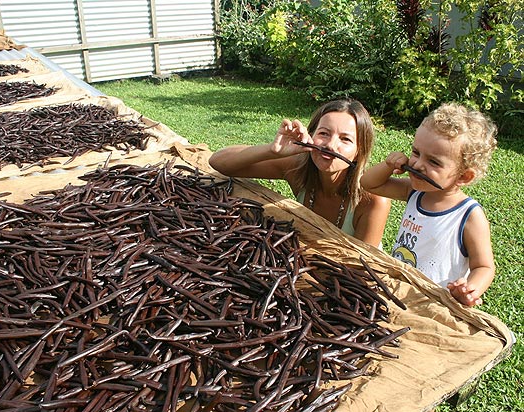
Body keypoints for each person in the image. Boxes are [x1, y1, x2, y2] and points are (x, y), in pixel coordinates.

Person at [360, 102, 497, 306]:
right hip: (399, 290)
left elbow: (484, 266)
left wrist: (470, 289)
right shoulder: (414, 192)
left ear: (464, 176)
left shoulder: (469, 216)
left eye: (433, 162)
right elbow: (369, 183)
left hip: (436, 302)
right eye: (416, 152)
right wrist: (388, 165)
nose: (417, 164)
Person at [209, 99, 391, 247]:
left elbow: (364, 267)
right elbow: (219, 161)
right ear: (311, 136)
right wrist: (272, 150)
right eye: (324, 133)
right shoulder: (297, 169)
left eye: (345, 139)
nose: (330, 145)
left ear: (359, 151)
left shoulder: (372, 199)